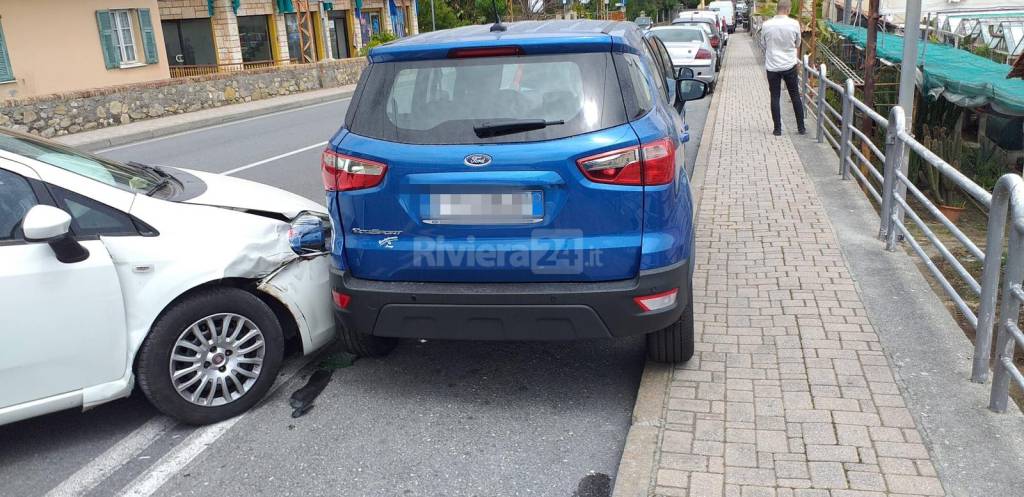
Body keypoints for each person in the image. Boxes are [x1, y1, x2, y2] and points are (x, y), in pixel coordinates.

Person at [761, 0, 806, 136]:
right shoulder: (794, 24)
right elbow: (798, 43)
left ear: (777, 9)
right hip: (789, 65)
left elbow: (763, 43)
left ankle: (777, 129)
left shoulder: (766, 25)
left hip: (772, 66)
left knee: (775, 97)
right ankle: (801, 128)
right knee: (795, 96)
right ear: (788, 10)